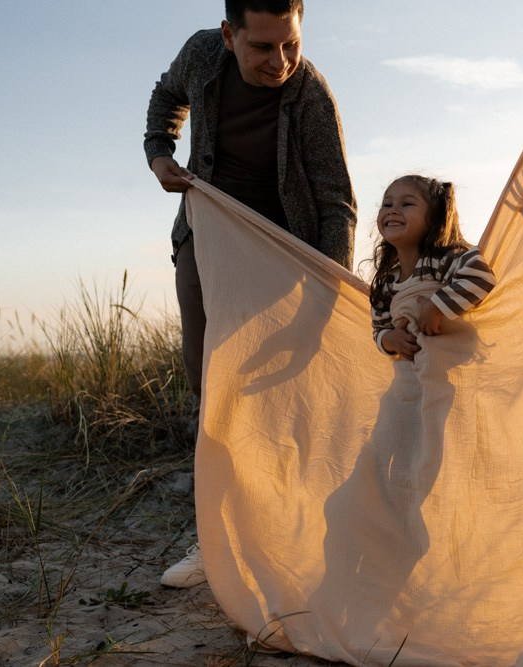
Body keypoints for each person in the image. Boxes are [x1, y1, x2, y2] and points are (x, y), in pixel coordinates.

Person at [144, 0, 356, 588]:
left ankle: (286, 537)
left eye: (291, 44)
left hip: (283, 255)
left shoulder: (311, 95)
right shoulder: (200, 54)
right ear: (228, 37)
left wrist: (328, 290)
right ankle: (214, 540)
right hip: (206, 236)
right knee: (208, 381)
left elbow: (337, 200)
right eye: (263, 47)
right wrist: (160, 156)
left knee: (280, 393)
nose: (281, 61)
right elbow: (166, 101)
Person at [369, 175, 496, 360]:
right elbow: (379, 328)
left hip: (448, 363)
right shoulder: (386, 282)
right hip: (410, 373)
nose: (393, 211)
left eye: (407, 204)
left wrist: (436, 306)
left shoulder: (444, 259)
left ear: (434, 218)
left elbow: (481, 277)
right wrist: (390, 339)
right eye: (387, 205)